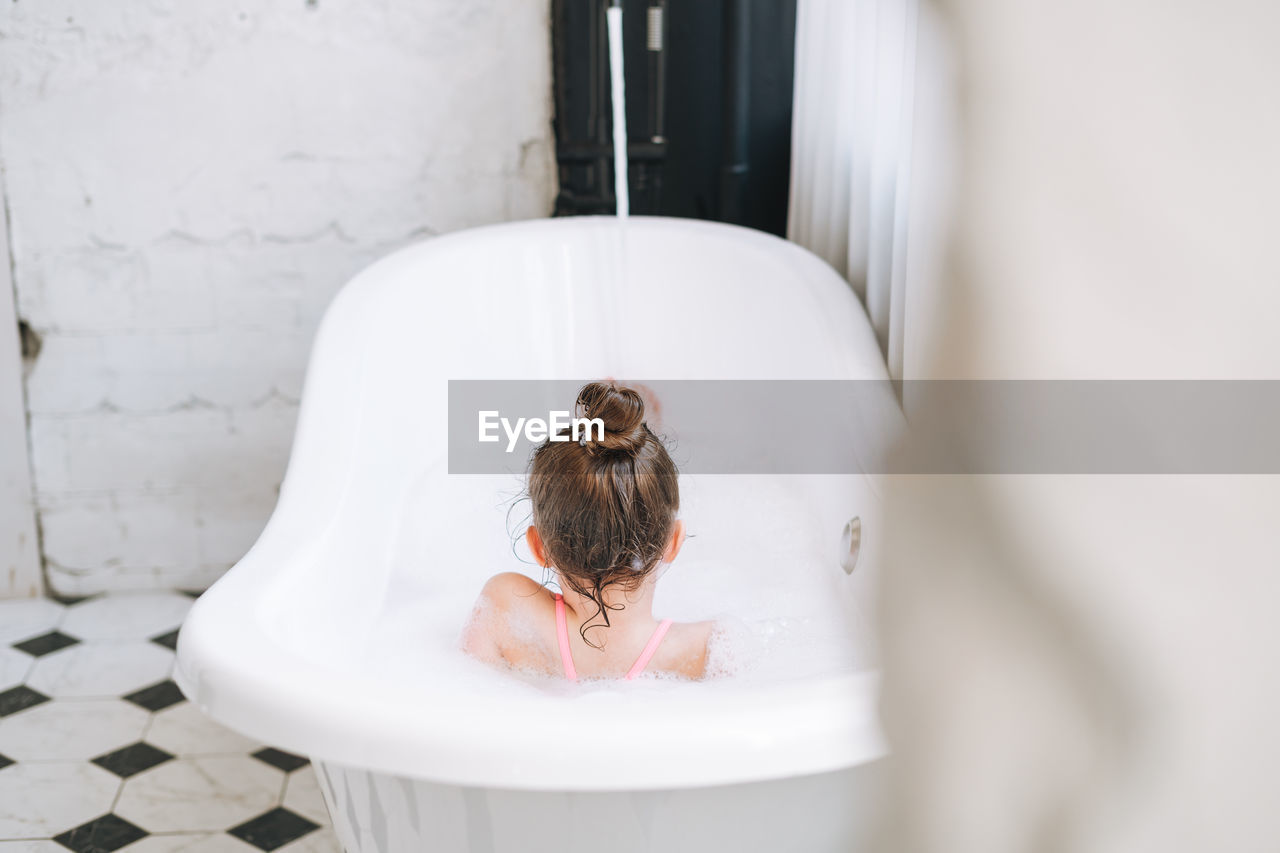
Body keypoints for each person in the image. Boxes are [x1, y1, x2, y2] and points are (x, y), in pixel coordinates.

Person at [461, 381, 713, 680]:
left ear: (539, 547)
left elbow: (467, 697)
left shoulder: (505, 607)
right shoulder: (703, 650)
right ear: (674, 541)